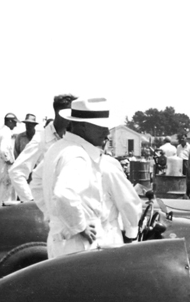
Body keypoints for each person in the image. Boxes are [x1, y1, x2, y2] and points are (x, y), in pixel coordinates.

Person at [37, 97, 140, 258]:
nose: (106, 133)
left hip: (60, 241)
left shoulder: (56, 149)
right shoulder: (78, 154)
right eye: (101, 128)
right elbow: (64, 193)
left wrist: (55, 215)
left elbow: (36, 184)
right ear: (83, 126)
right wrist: (79, 226)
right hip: (81, 244)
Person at [15, 94, 76, 207]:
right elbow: (16, 171)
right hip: (47, 207)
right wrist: (31, 202)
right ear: (59, 114)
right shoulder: (41, 139)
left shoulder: (71, 138)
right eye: (70, 115)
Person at [0, 113, 19, 205]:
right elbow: (3, 150)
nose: (16, 125)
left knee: (0, 194)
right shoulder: (6, 133)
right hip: (5, 169)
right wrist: (9, 161)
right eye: (14, 122)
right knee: (7, 197)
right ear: (9, 121)